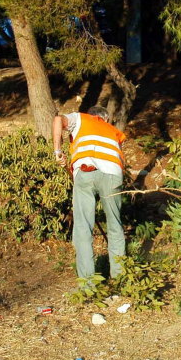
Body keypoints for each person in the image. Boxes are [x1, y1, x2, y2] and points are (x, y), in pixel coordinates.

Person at [52, 106, 127, 282]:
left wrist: (58, 152)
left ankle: (87, 285)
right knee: (115, 226)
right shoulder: (115, 131)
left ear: (89, 115)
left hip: (85, 173)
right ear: (106, 119)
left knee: (83, 228)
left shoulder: (80, 119)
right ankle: (120, 279)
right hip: (113, 175)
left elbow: (57, 120)